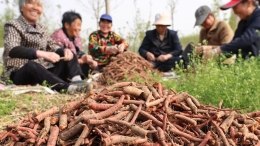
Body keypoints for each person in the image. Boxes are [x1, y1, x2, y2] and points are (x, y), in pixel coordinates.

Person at [1, 0, 92, 94]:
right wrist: (41, 53)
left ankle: (77, 81)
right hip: (20, 71)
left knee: (69, 53)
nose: (35, 7)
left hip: (42, 71)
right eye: (30, 3)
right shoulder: (13, 25)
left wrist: (63, 50)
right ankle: (67, 88)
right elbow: (12, 49)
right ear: (21, 8)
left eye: (38, 5)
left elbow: (52, 45)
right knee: (31, 66)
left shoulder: (41, 28)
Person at [51, 11, 97, 77]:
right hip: (58, 69)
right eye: (78, 25)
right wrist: (81, 61)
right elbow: (59, 60)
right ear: (67, 25)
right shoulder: (57, 36)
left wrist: (86, 58)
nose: (80, 28)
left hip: (74, 67)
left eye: (80, 25)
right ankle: (76, 80)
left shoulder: (77, 37)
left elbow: (79, 52)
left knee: (92, 64)